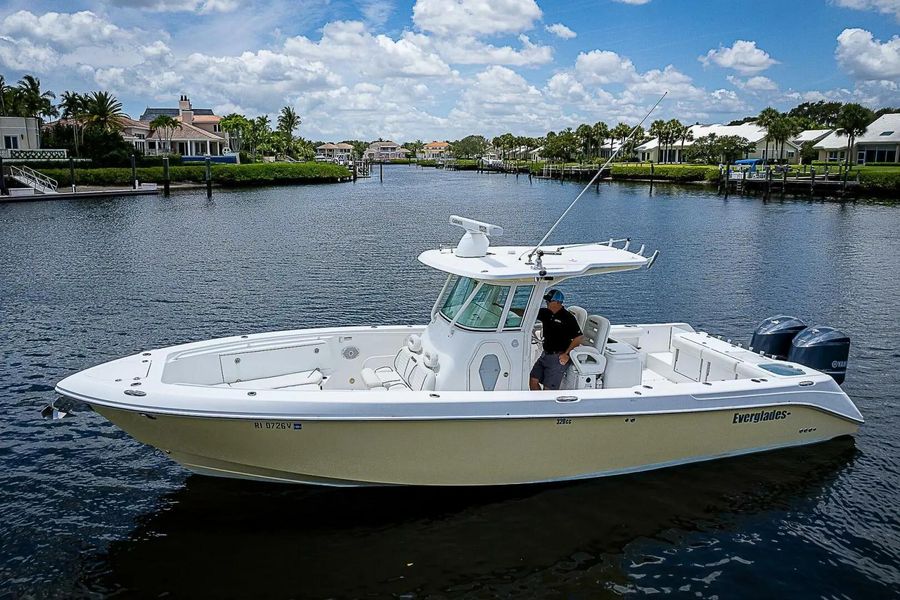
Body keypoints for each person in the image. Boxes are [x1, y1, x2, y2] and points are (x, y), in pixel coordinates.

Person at [529, 289, 584, 391]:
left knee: (548, 389)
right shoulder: (546, 313)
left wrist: (566, 354)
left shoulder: (568, 318)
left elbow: (578, 337)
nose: (547, 303)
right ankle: (538, 404)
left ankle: (546, 406)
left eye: (549, 301)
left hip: (558, 357)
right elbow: (528, 313)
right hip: (545, 354)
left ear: (558, 302)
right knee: (533, 380)